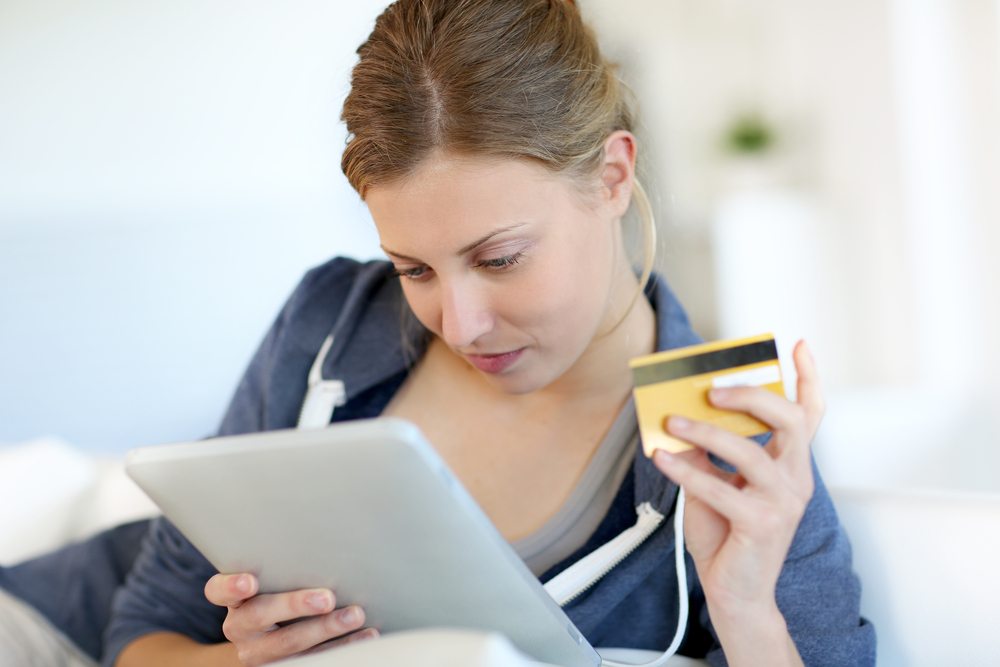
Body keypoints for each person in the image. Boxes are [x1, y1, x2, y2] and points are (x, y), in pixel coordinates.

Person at [0, 1, 875, 666]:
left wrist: (748, 614)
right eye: (413, 269)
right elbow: (141, 626)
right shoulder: (329, 325)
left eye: (499, 259)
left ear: (612, 176)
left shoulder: (728, 429)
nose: (460, 325)